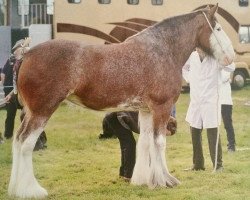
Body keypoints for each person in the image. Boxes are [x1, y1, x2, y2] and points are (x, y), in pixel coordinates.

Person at [182, 48, 235, 171]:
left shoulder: (214, 57)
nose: (199, 49)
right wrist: (189, 79)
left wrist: (225, 56)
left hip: (210, 101)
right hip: (195, 100)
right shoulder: (192, 56)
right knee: (194, 131)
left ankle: (218, 165)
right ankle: (198, 165)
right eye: (197, 46)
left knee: (212, 132)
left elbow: (231, 67)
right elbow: (183, 67)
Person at [99, 106, 176, 180]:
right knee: (129, 144)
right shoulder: (152, 122)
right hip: (115, 117)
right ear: (165, 125)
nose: (162, 135)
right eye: (164, 133)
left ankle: (123, 174)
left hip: (117, 116)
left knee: (127, 143)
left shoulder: (155, 122)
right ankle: (128, 176)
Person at [220, 70, 236, 152]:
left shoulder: (228, 66)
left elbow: (222, 78)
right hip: (215, 101)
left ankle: (231, 145)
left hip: (226, 101)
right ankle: (216, 146)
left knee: (227, 124)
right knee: (214, 125)